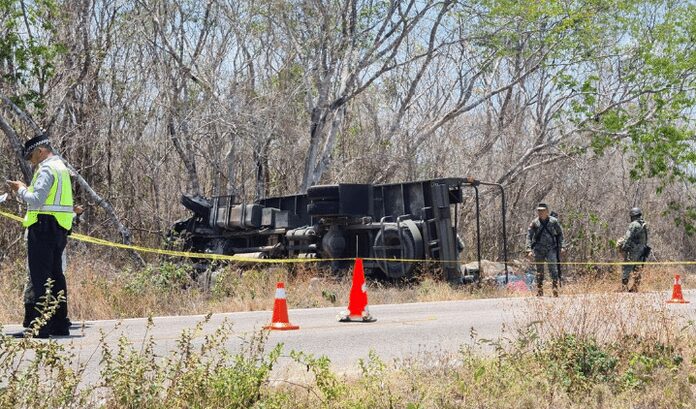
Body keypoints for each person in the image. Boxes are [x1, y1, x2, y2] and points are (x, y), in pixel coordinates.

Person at [6, 134, 74, 338]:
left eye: (31, 156)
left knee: (40, 277)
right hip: (59, 227)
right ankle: (59, 324)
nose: (31, 161)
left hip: (43, 227)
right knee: (56, 277)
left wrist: (20, 190)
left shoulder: (46, 168)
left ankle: (40, 327)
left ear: (40, 151)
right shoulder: (61, 167)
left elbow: (36, 200)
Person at [526, 203, 566, 297]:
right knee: (539, 271)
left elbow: (560, 234)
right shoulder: (534, 222)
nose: (540, 212)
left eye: (543, 210)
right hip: (538, 250)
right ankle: (540, 291)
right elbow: (529, 236)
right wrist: (528, 250)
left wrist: (562, 246)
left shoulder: (553, 221)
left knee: (553, 270)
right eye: (539, 210)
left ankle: (555, 290)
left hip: (551, 249)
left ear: (547, 211)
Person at [616, 207, 649, 292]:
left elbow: (628, 237)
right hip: (642, 251)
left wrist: (624, 247)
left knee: (626, 268)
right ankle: (635, 288)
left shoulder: (634, 224)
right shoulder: (643, 224)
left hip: (634, 251)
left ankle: (623, 288)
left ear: (633, 216)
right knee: (637, 269)